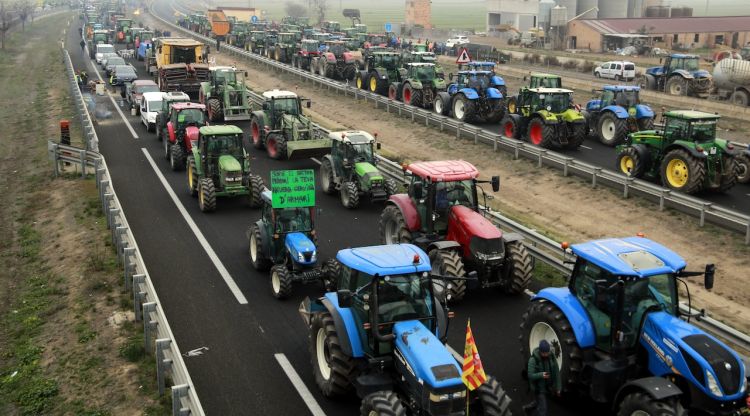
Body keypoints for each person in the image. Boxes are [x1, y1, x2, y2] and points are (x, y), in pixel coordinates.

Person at [523, 340, 561, 416]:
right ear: (540, 351)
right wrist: (541, 375)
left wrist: (558, 387)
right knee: (543, 409)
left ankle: (527, 408)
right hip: (539, 388)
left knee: (538, 401)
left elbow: (556, 372)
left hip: (547, 387)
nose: (546, 354)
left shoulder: (551, 356)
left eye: (547, 352)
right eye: (544, 353)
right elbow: (530, 375)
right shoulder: (533, 360)